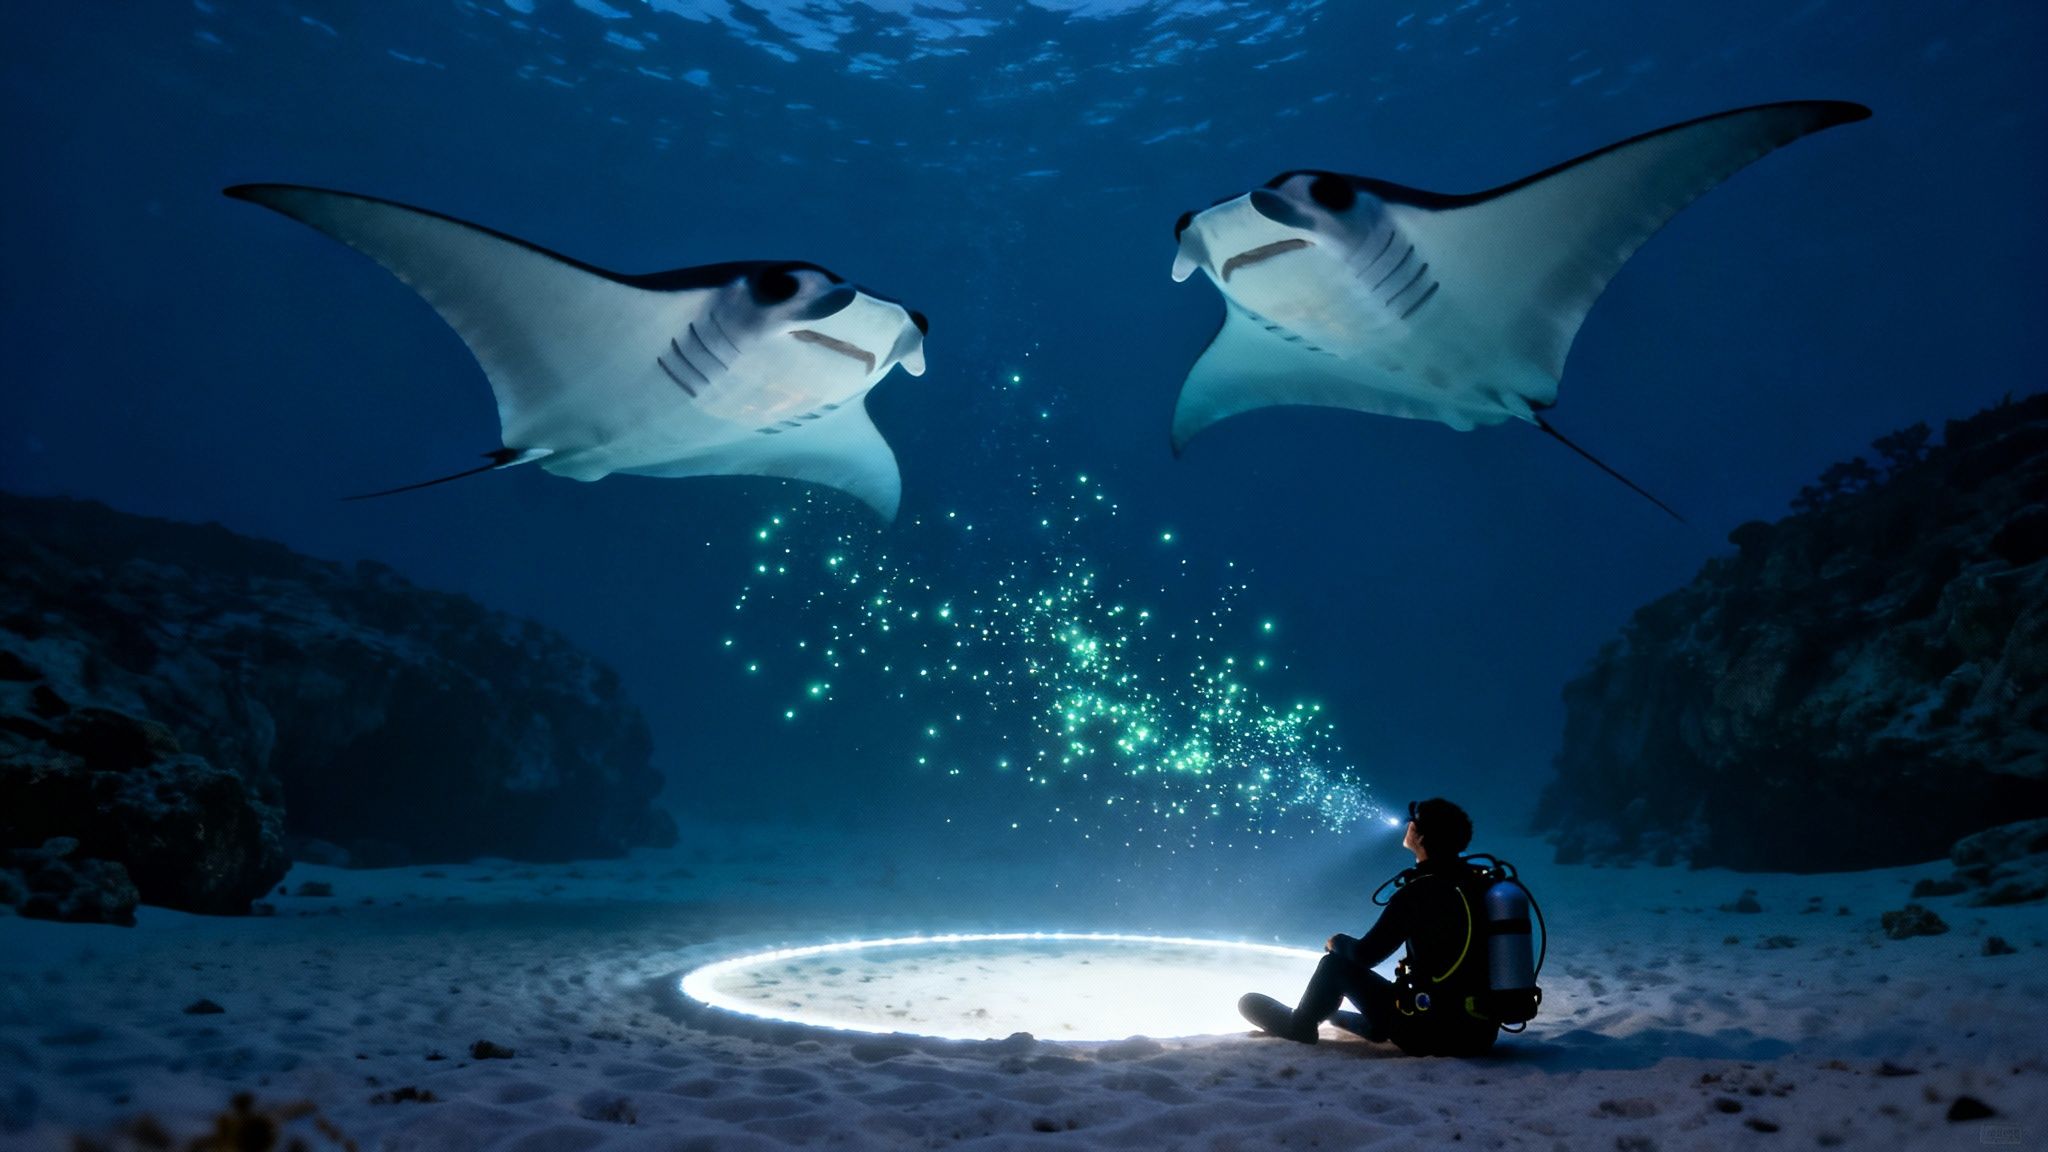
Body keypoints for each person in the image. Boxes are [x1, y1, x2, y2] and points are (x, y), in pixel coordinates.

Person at [1240, 797, 1500, 1056]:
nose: (1408, 824)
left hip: (1434, 1035)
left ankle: (1300, 1026)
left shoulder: (1420, 891)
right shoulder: (1479, 884)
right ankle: (1375, 1024)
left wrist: (1336, 941)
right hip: (1481, 1035)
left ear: (1420, 837)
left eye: (1413, 822)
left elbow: (1366, 955)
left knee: (1333, 966)